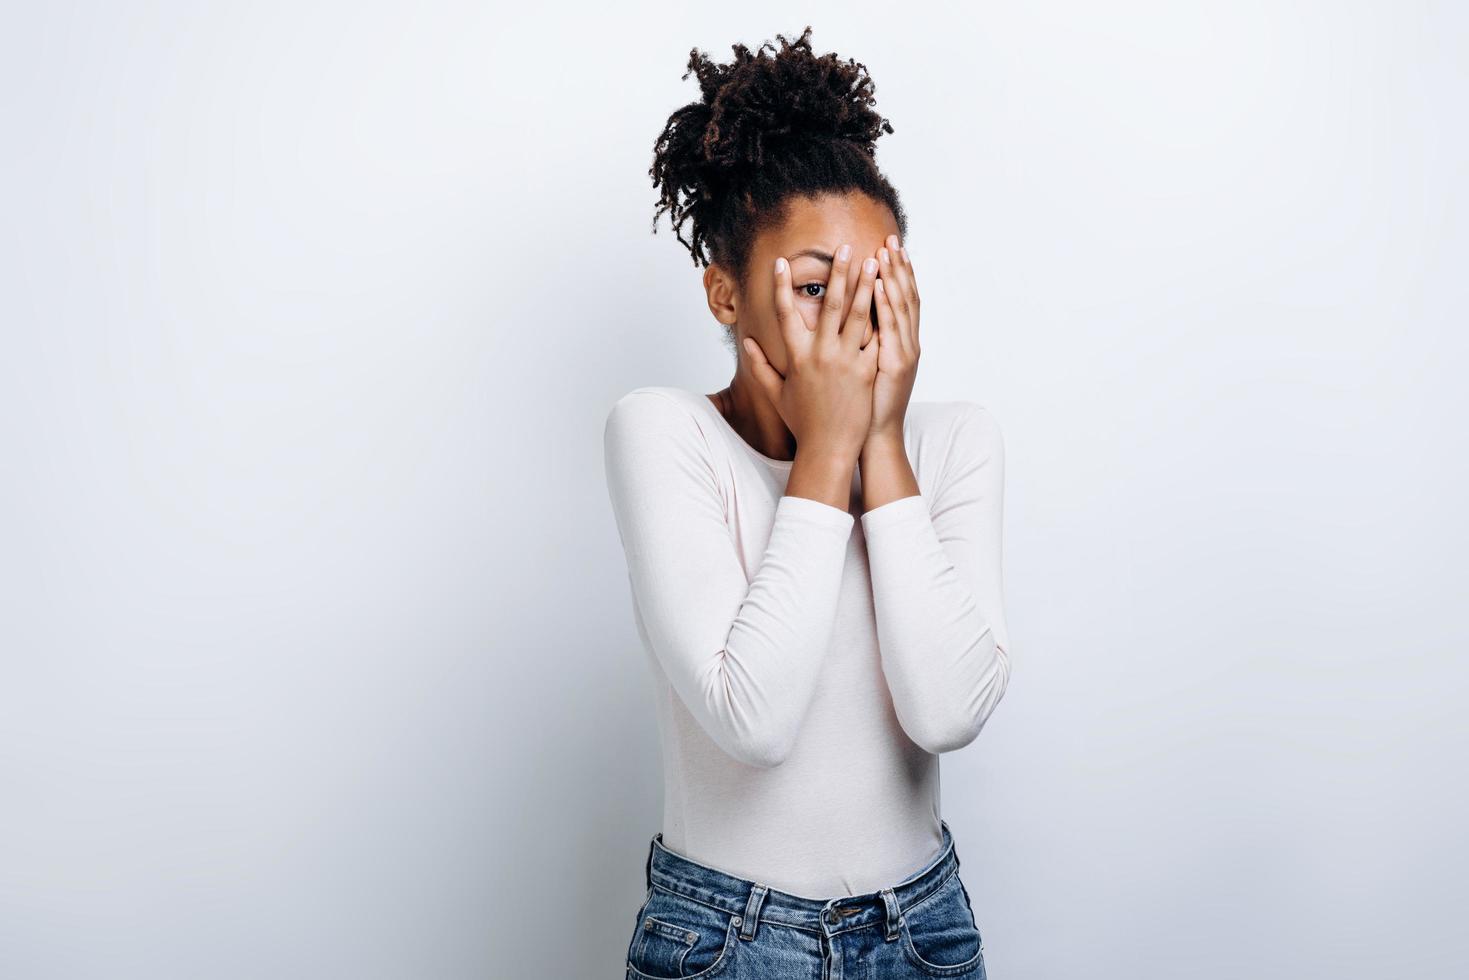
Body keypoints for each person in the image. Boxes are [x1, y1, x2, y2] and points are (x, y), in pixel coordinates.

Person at [603, 26, 1011, 979]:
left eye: (873, 290)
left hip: (924, 930)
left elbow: (947, 710)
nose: (848, 326)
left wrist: (876, 442)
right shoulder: (662, 432)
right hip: (727, 939)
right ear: (723, 294)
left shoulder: (955, 442)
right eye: (815, 288)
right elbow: (754, 718)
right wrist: (829, 446)